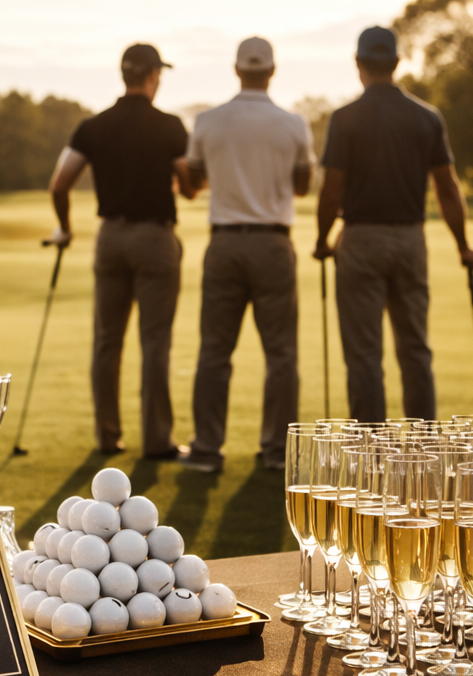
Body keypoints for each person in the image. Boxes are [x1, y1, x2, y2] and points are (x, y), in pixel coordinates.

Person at [314, 25, 473, 423]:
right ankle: (421, 452)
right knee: (415, 349)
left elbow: (332, 191)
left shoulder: (345, 118)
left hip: (359, 239)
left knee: (364, 354)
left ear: (358, 64)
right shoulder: (426, 116)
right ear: (396, 63)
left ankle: (371, 456)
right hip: (410, 240)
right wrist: (462, 246)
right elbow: (447, 188)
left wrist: (322, 239)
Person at [49, 43, 192, 457]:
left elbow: (61, 184)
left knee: (107, 342)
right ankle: (157, 440)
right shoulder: (170, 126)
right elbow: (189, 186)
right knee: (155, 342)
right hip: (155, 239)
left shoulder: (93, 126)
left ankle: (108, 437)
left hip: (109, 238)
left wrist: (65, 228)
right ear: (152, 76)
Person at [178, 37, 314, 473]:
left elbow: (196, 181)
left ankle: (206, 451)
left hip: (225, 243)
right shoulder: (293, 123)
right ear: (272, 72)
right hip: (273, 243)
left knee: (215, 350)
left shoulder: (208, 121)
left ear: (236, 71)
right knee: (282, 354)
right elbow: (302, 186)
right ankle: (277, 451)